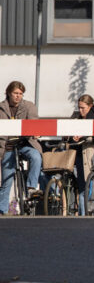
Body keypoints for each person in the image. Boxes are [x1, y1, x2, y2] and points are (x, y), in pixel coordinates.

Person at [0, 81, 43, 213]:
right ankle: (2, 210)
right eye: (15, 93)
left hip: (25, 143)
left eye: (20, 93)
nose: (18, 96)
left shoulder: (29, 106)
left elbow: (34, 123)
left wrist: (35, 132)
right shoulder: (1, 108)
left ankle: (31, 188)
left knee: (36, 156)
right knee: (6, 180)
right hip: (7, 146)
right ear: (9, 93)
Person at [71, 94, 94, 189]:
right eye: (79, 107)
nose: (80, 110)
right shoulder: (75, 116)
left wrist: (84, 137)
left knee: (88, 186)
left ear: (90, 106)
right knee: (81, 186)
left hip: (89, 153)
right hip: (76, 155)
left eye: (83, 108)